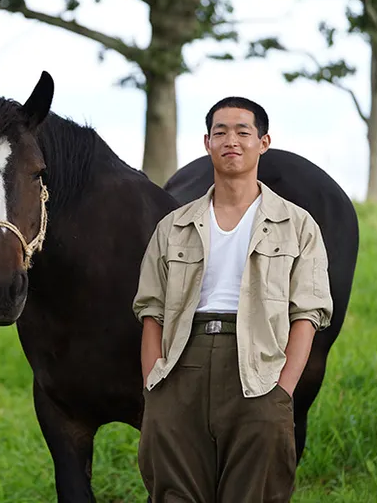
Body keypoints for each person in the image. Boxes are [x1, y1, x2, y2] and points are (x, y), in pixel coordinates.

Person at [133, 97, 333, 502]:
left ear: (263, 142)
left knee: (253, 494)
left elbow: (307, 315)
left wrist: (283, 390)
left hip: (259, 371)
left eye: (243, 131)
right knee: (174, 493)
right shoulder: (173, 226)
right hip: (180, 368)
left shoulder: (298, 226)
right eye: (220, 131)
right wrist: (154, 382)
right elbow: (151, 309)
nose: (232, 140)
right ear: (207, 142)